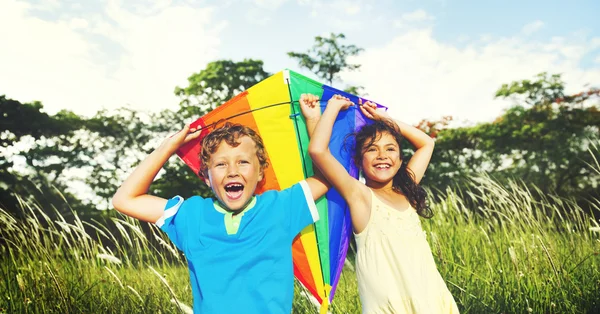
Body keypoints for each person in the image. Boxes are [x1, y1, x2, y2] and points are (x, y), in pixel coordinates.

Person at [111, 94, 329, 313]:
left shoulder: (280, 207)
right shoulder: (191, 214)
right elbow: (125, 200)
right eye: (221, 164)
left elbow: (326, 177)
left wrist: (312, 120)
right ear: (206, 177)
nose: (233, 171)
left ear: (261, 171)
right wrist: (167, 148)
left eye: (243, 162)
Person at [307, 94, 459, 313]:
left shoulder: (406, 190)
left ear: (399, 162)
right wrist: (331, 108)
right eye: (371, 149)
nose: (382, 155)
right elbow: (318, 151)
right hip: (391, 306)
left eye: (390, 149)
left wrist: (385, 118)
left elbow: (426, 143)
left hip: (432, 298)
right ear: (359, 161)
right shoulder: (359, 195)